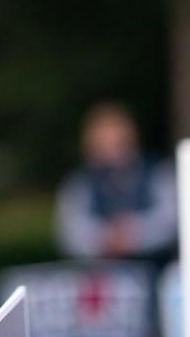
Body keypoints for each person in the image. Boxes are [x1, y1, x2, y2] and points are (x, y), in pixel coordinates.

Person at [55, 102, 178, 263]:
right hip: (103, 276)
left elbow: (173, 220)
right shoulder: (79, 182)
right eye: (103, 145)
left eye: (118, 144)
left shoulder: (158, 171)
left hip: (158, 269)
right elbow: (68, 232)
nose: (112, 153)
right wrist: (104, 238)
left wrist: (134, 233)